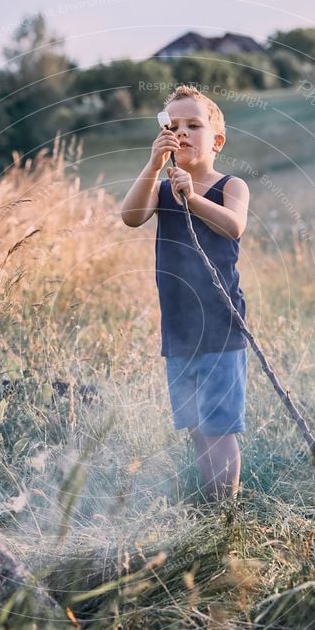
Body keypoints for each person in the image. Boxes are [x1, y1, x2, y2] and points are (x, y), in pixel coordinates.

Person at [121, 85, 250, 505]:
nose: (182, 133)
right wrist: (153, 165)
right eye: (172, 126)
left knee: (220, 427)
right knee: (197, 428)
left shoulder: (230, 185)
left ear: (216, 140)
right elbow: (131, 217)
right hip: (178, 328)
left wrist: (192, 198)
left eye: (194, 125)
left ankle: (225, 514)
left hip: (219, 325)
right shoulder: (161, 189)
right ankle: (210, 504)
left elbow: (233, 226)